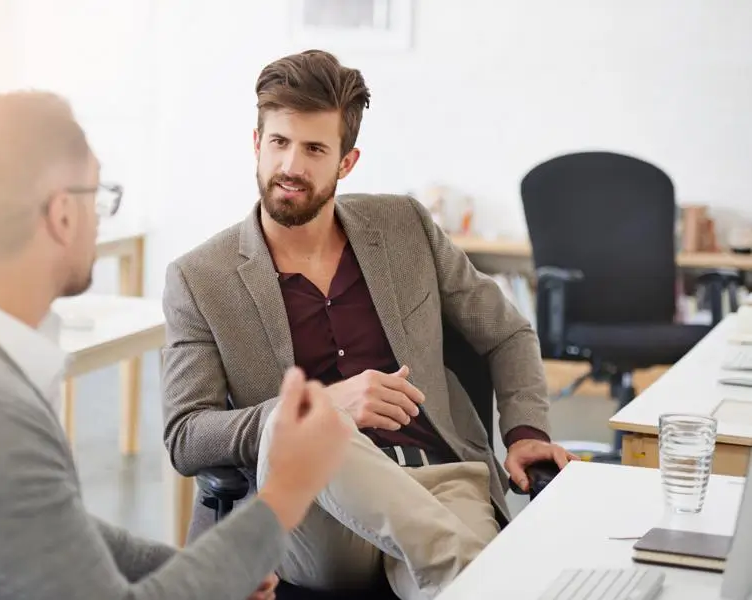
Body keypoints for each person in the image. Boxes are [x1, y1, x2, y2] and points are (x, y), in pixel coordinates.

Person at [0, 91, 353, 600]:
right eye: (98, 195)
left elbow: (55, 526)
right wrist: (286, 491)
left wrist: (206, 568)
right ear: (63, 215)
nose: (100, 217)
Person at [161, 50, 576, 599]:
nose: (291, 166)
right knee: (319, 429)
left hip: (439, 484)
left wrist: (525, 433)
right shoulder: (200, 277)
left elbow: (506, 331)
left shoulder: (403, 227)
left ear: (346, 162)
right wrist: (325, 406)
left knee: (454, 578)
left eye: (314, 149)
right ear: (257, 144)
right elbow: (185, 435)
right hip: (312, 512)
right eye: (280, 143)